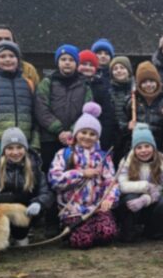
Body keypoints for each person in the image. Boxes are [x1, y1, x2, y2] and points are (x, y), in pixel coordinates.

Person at [35, 45, 100, 231]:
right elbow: (41, 108)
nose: (67, 63)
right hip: (51, 137)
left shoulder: (84, 85)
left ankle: (72, 215)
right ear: (58, 62)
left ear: (76, 63)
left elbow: (87, 110)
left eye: (71, 60)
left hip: (75, 139)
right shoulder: (47, 82)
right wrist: (58, 131)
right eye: (63, 59)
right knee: (52, 178)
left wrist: (73, 132)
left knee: (73, 175)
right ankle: (51, 221)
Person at [49, 103, 121, 249]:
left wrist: (109, 198)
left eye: (92, 134)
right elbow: (54, 180)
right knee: (83, 241)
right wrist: (81, 173)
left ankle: (93, 227)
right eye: (84, 132)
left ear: (97, 137)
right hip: (72, 209)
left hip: (96, 207)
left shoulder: (103, 157)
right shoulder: (64, 154)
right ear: (76, 133)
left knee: (108, 233)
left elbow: (111, 181)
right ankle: (73, 231)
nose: (87, 137)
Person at [0, 127, 53, 246]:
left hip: (25, 213)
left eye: (19, 147)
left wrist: (39, 203)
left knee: (22, 209)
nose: (15, 152)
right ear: (4, 150)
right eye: (10, 148)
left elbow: (46, 193)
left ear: (25, 149)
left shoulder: (35, 169)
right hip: (0, 214)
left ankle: (21, 235)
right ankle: (1, 235)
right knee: (4, 199)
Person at [116, 123, 163, 242]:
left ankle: (154, 231)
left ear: (153, 147)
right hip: (130, 199)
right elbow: (121, 185)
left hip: (149, 200)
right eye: (139, 147)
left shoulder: (161, 165)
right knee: (130, 197)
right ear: (134, 149)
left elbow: (158, 189)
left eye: (147, 146)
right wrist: (145, 186)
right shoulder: (126, 161)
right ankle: (128, 230)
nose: (143, 150)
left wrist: (145, 200)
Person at [122, 62, 163, 160]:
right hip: (136, 153)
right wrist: (127, 127)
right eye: (144, 82)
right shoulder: (131, 101)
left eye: (152, 81)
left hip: (158, 153)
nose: (148, 85)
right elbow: (121, 127)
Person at [107, 56, 134, 154]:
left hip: (132, 135)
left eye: (122, 68)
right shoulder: (108, 91)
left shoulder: (136, 89)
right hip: (115, 136)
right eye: (115, 69)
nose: (119, 71)